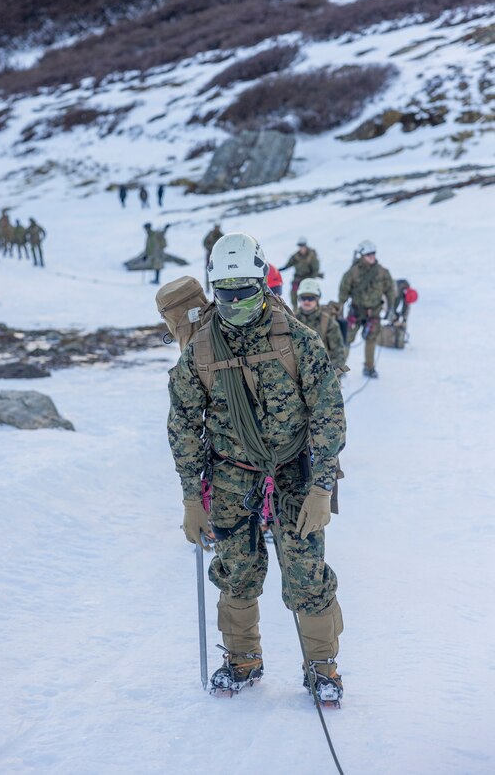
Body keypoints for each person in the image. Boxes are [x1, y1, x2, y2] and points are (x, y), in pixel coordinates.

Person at [167, 232, 345, 703]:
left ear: (263, 282)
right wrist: (191, 499)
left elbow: (328, 412)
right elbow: (184, 425)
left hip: (294, 470)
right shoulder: (201, 352)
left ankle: (322, 665)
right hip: (230, 474)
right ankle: (243, 658)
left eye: (245, 290)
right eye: (224, 293)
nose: (235, 301)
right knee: (236, 569)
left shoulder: (299, 342)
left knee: (306, 571)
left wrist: (322, 487)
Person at [338, 240, 395, 378]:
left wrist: (391, 308)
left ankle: (369, 368)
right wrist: (339, 311)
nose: (371, 256)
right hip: (356, 312)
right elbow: (343, 292)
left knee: (371, 340)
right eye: (368, 254)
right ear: (362, 255)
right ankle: (340, 369)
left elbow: (390, 290)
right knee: (346, 339)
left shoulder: (382, 272)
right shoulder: (353, 272)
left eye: (373, 253)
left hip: (374, 313)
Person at [293, 278, 346, 373]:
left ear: (317, 299)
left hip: (322, 372)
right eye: (303, 298)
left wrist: (331, 375)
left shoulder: (327, 322)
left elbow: (338, 353)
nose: (307, 301)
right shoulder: (292, 319)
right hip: (296, 372)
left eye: (311, 298)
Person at [280, 237, 321, 308]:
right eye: (300, 246)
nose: (301, 248)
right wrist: (279, 270)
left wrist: (311, 279)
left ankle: (315, 308)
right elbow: (288, 265)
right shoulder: (296, 256)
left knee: (312, 294)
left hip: (309, 277)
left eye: (303, 246)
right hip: (298, 277)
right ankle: (295, 309)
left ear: (305, 246)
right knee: (293, 293)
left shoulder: (312, 256)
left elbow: (315, 269)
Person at [203, 223, 223, 290]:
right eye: (216, 227)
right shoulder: (210, 235)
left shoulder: (221, 235)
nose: (217, 228)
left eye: (218, 227)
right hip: (209, 255)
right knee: (208, 271)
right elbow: (204, 243)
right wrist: (210, 248)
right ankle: (207, 288)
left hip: (218, 256)